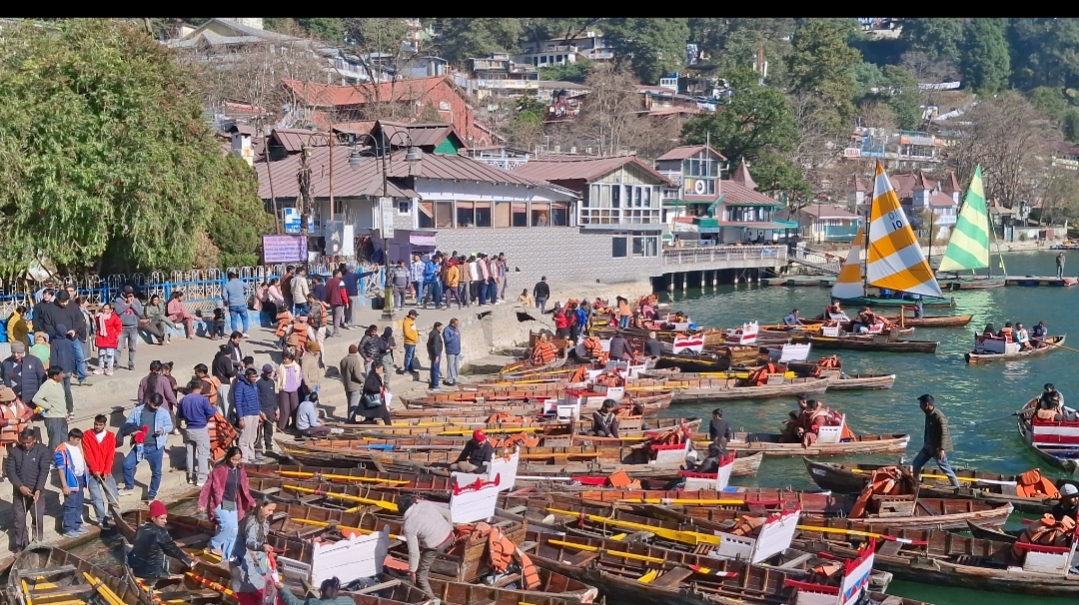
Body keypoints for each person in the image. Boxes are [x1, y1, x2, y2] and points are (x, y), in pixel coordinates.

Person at [198, 446, 255, 558]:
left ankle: (226, 556)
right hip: (219, 502)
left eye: (238, 459)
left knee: (234, 529)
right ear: (228, 457)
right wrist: (201, 503)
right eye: (233, 459)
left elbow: (245, 489)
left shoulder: (240, 470)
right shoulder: (219, 470)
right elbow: (207, 487)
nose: (236, 462)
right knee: (226, 525)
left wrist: (251, 502)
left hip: (231, 503)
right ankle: (213, 544)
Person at [399, 495, 455, 596]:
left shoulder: (408, 526)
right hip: (449, 536)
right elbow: (447, 513)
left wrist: (412, 571)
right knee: (425, 550)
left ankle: (432, 600)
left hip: (436, 545)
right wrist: (451, 529)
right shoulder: (425, 504)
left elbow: (414, 552)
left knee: (421, 576)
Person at [6, 428, 50, 553]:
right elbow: (10, 471)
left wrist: (38, 489)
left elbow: (44, 471)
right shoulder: (15, 452)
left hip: (37, 493)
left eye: (28, 442)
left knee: (38, 517)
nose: (26, 445)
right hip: (19, 494)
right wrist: (20, 486)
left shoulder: (43, 451)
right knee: (19, 520)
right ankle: (21, 546)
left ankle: (37, 542)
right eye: (23, 442)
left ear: (34, 440)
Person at [128, 500, 195, 579]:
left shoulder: (141, 528)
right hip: (153, 573)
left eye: (166, 518)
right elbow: (172, 549)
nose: (165, 521)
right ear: (153, 518)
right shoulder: (160, 532)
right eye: (162, 518)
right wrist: (189, 562)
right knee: (174, 560)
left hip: (135, 568)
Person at [230, 497, 277, 605]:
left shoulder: (263, 521)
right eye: (269, 509)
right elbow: (250, 542)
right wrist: (262, 546)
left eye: (273, 510)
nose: (271, 513)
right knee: (249, 591)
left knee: (261, 591)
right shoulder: (251, 521)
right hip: (243, 560)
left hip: (257, 561)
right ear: (261, 507)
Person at [912, 394, 960, 488]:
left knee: (946, 469)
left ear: (926, 404)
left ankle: (957, 488)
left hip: (937, 448)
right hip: (928, 447)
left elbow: (944, 434)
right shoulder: (928, 414)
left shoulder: (939, 416)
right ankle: (916, 484)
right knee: (916, 465)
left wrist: (942, 449)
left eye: (921, 403)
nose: (919, 406)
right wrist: (926, 444)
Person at [179, 379, 217, 487]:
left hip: (188, 429)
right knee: (203, 454)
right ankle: (201, 478)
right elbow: (211, 412)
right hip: (200, 428)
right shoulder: (203, 399)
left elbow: (180, 415)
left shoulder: (184, 399)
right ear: (200, 387)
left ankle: (191, 477)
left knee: (189, 453)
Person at [83, 414, 118, 528]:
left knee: (112, 495)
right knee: (96, 498)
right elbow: (88, 454)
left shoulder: (110, 437)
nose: (97, 426)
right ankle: (101, 519)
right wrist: (95, 470)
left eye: (100, 425)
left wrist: (106, 470)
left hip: (106, 472)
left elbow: (110, 455)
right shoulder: (87, 435)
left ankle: (115, 516)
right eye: (96, 424)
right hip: (92, 472)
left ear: (104, 425)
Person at [54, 428, 88, 538]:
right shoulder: (62, 449)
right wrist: (65, 485)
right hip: (70, 481)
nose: (79, 442)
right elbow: (61, 469)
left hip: (80, 479)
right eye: (77, 439)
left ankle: (77, 525)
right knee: (70, 505)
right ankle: (68, 528)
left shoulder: (77, 446)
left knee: (78, 503)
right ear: (71, 438)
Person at [33, 366, 69, 451]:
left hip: (62, 417)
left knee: (64, 440)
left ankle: (63, 460)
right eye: (61, 374)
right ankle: (53, 460)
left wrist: (65, 413)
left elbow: (61, 400)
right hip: (52, 417)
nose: (62, 375)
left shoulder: (59, 384)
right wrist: (48, 406)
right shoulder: (46, 385)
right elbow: (36, 399)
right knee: (55, 442)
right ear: (55, 376)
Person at [1, 342, 46, 406]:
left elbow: (41, 379)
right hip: (12, 400)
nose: (16, 355)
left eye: (18, 352)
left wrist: (41, 395)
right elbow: (1, 378)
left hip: (30, 399)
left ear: (23, 351)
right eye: (13, 352)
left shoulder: (34, 361)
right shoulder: (6, 363)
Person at [234, 368, 262, 463]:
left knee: (253, 437)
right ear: (247, 376)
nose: (254, 378)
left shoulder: (254, 385)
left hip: (255, 413)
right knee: (244, 437)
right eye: (252, 377)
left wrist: (259, 413)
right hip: (246, 414)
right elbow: (237, 402)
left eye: (255, 376)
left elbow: (257, 399)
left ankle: (251, 455)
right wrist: (240, 418)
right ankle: (244, 458)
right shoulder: (240, 386)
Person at [113, 286, 143, 371]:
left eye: (131, 293)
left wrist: (132, 304)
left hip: (133, 327)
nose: (130, 294)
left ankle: (131, 364)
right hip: (122, 327)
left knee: (132, 347)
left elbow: (140, 312)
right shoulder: (119, 301)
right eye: (128, 293)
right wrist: (127, 304)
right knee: (118, 347)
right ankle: (116, 364)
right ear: (124, 293)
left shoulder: (136, 301)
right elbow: (118, 311)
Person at [275, 577, 354, 605]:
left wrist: (283, 588)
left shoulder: (315, 603)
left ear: (321, 592)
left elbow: (295, 603)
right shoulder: (349, 601)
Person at [275, 353, 303, 432]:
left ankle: (295, 424)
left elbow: (300, 377)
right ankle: (283, 426)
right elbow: (276, 378)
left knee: (295, 408)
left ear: (290, 359)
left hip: (294, 390)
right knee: (285, 409)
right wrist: (276, 375)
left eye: (286, 359)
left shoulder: (297, 367)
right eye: (283, 359)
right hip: (284, 390)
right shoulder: (281, 367)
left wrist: (297, 385)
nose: (284, 360)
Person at [93, 303, 122, 375]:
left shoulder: (114, 317)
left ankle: (110, 368)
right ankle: (100, 367)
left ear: (110, 310)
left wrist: (114, 334)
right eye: (104, 309)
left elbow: (119, 327)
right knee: (101, 354)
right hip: (102, 338)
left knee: (110, 355)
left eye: (106, 309)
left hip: (110, 338)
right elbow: (97, 326)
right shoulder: (99, 316)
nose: (104, 310)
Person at [256, 364, 278, 455]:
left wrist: (276, 408)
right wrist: (260, 412)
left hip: (271, 410)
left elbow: (273, 396)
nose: (269, 374)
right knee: (259, 431)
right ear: (263, 371)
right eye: (268, 372)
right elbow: (257, 398)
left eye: (270, 372)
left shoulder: (272, 382)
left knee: (269, 431)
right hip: (262, 410)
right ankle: (258, 449)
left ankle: (269, 448)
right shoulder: (259, 383)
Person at [325, 269, 346, 337]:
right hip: (338, 301)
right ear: (337, 275)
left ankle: (335, 330)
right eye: (340, 274)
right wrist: (346, 302)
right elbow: (343, 293)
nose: (341, 275)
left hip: (331, 301)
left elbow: (327, 292)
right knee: (337, 317)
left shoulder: (328, 282)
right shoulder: (340, 282)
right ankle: (336, 332)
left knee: (334, 316)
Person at [443, 318, 461, 387]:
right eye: (456, 324)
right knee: (450, 365)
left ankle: (456, 377)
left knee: (456, 365)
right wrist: (454, 335)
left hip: (457, 350)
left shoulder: (457, 329)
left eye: (458, 324)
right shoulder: (447, 330)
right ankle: (450, 378)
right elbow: (447, 340)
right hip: (450, 350)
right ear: (452, 323)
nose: (457, 325)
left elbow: (458, 339)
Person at [426, 322, 444, 390]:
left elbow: (428, 344)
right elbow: (435, 345)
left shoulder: (431, 333)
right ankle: (436, 385)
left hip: (432, 353)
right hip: (436, 353)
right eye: (440, 327)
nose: (441, 328)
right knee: (436, 369)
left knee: (433, 369)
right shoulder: (436, 335)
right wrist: (436, 355)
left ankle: (433, 383)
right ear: (437, 327)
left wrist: (430, 353)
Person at [402, 310, 420, 374]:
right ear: (411, 315)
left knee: (411, 356)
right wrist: (414, 339)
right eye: (415, 316)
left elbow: (413, 330)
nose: (416, 317)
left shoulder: (412, 322)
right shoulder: (406, 322)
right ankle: (406, 369)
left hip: (413, 343)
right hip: (409, 342)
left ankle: (410, 368)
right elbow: (407, 333)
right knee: (408, 356)